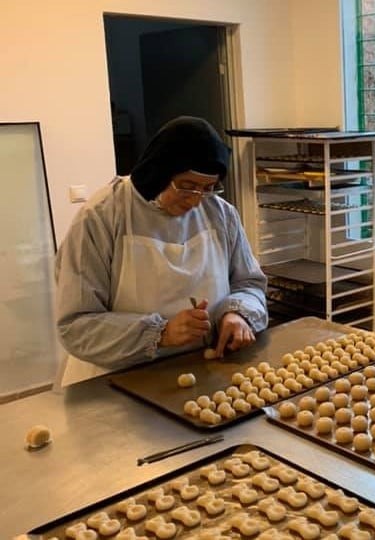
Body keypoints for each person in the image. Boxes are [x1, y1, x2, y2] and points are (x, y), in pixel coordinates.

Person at [54, 116, 267, 384]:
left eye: (208, 188)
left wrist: (238, 313)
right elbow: (76, 325)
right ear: (159, 172)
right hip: (119, 378)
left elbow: (249, 282)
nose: (196, 200)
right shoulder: (103, 216)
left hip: (204, 368)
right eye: (187, 186)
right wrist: (161, 333)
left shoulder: (221, 215)